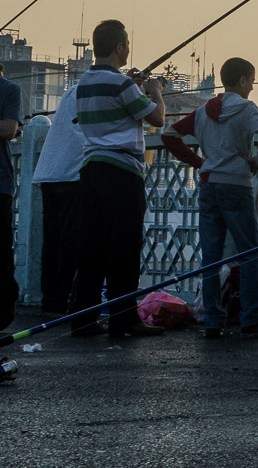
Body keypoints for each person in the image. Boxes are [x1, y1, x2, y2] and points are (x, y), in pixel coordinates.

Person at [159, 57, 258, 338]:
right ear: (244, 80)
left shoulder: (202, 112)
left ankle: (212, 320)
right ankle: (249, 318)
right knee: (249, 253)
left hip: (209, 185)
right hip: (237, 184)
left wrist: (199, 163)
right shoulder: (248, 109)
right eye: (251, 81)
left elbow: (168, 133)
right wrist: (256, 161)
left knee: (210, 256)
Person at [69, 20, 168, 337]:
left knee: (92, 248)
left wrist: (131, 85)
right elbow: (157, 117)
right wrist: (155, 92)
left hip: (91, 169)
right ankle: (123, 319)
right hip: (122, 172)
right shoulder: (123, 86)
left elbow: (113, 102)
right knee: (123, 247)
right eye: (126, 43)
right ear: (120, 46)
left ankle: (83, 319)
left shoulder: (84, 82)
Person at [31, 84, 85, 314]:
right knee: (70, 240)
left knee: (52, 240)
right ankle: (61, 297)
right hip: (72, 172)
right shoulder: (93, 90)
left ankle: (51, 299)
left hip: (50, 171)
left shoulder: (72, 90)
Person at [0, 63, 22, 331]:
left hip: (0, 183)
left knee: (1, 250)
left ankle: (4, 309)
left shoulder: (9, 89)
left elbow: (8, 129)